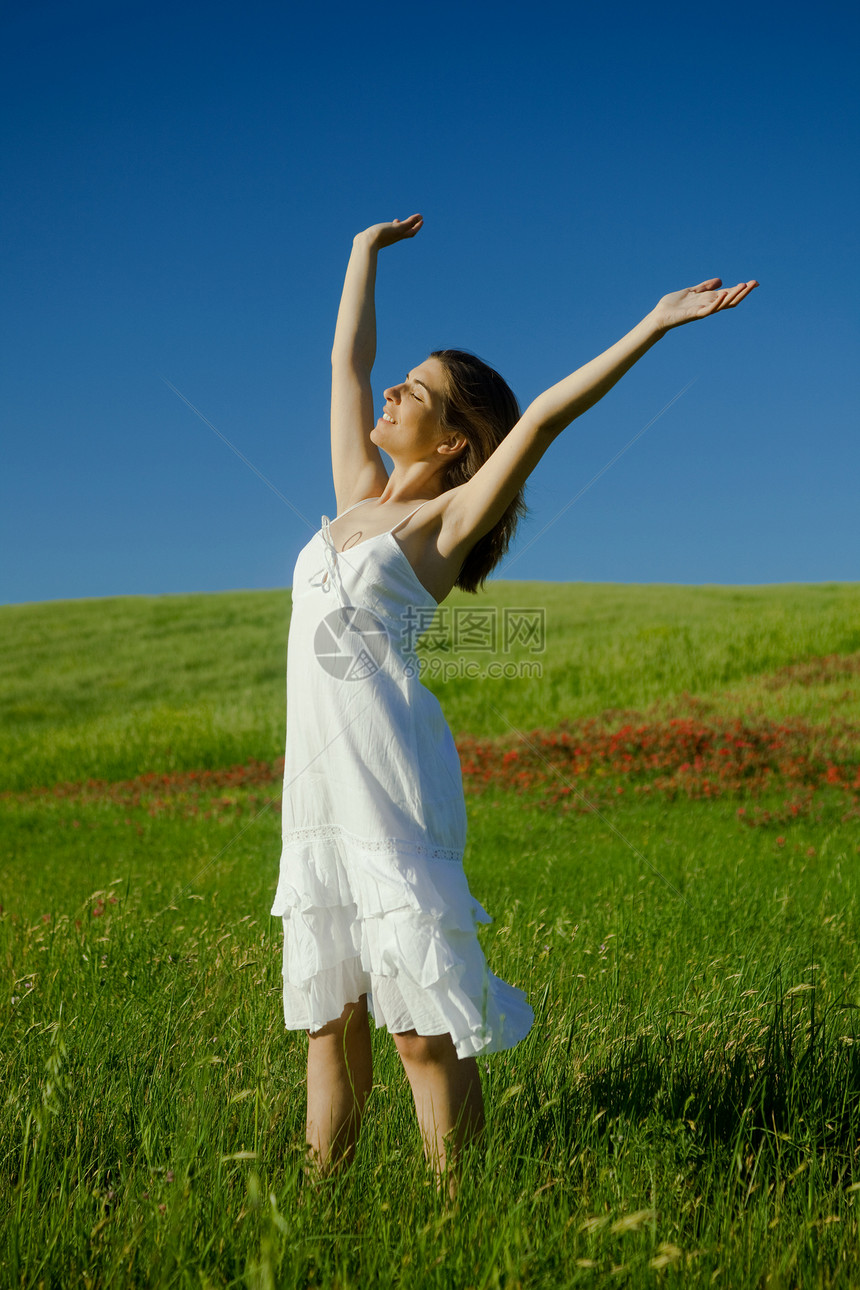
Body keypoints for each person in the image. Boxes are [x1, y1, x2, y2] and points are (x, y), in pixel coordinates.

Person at [271, 214, 757, 1190]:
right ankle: (315, 1221)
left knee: (419, 1033)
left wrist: (651, 324)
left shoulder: (439, 525)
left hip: (390, 785)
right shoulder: (355, 489)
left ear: (454, 443)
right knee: (330, 1022)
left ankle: (462, 1221)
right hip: (316, 796)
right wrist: (362, 253)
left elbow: (536, 420)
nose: (394, 389)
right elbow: (345, 363)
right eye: (403, 377)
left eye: (422, 391)